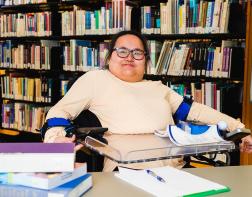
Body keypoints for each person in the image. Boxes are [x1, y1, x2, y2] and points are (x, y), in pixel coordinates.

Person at [43, 30, 245, 171]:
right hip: (126, 171)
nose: (129, 57)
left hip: (176, 170)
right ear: (109, 57)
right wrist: (55, 139)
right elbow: (59, 112)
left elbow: (196, 111)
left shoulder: (158, 88)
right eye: (122, 51)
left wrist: (239, 130)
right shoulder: (96, 79)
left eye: (137, 53)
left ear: (147, 61)